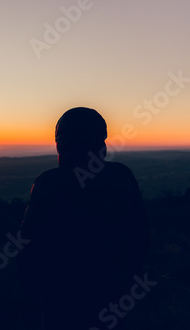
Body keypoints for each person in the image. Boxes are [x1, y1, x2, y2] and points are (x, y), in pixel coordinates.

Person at [18, 107, 150, 330]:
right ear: (101, 144)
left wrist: (31, 292)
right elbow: (140, 235)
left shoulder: (49, 183)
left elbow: (28, 244)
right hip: (114, 291)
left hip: (62, 295)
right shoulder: (121, 176)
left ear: (62, 144)